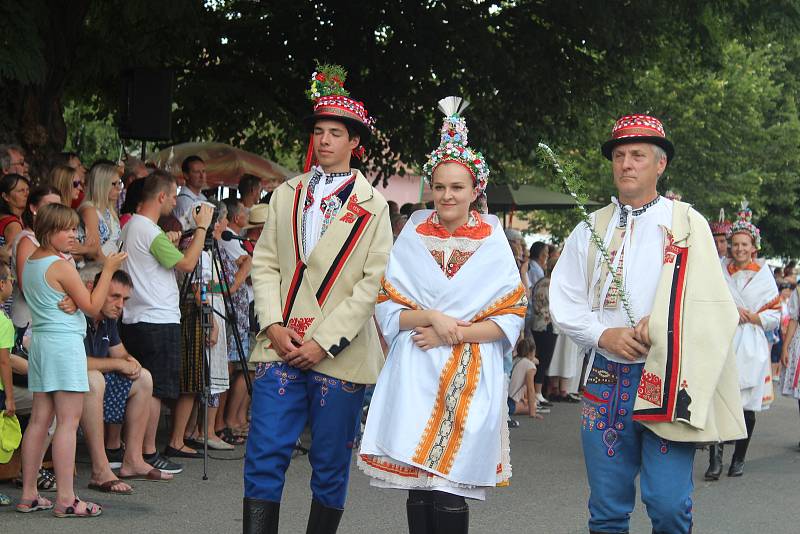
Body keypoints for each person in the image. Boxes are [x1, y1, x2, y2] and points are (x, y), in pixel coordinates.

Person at [549, 114, 745, 534]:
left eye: (638, 155)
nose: (626, 164)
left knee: (669, 504)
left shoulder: (687, 223)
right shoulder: (589, 228)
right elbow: (564, 299)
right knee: (606, 509)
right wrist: (604, 333)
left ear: (660, 164)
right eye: (619, 155)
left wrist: (662, 323)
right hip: (605, 377)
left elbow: (715, 304)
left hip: (669, 378)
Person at [359, 96, 525, 534]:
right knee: (418, 481)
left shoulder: (492, 240)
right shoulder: (413, 230)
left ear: (475, 191)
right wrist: (431, 317)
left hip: (470, 370)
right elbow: (388, 302)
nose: (447, 195)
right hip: (416, 364)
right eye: (439, 186)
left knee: (450, 482)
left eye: (457, 187)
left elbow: (511, 315)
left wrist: (453, 333)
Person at [244, 65, 392, 533]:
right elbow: (265, 262)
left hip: (339, 350)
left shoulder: (375, 205)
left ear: (355, 144)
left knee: (329, 466)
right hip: (279, 340)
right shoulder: (286, 194)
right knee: (264, 452)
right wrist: (271, 323)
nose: (325, 140)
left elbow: (373, 282)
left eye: (336, 133)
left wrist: (322, 341)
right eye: (319, 131)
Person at [17, 203, 125, 517]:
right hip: (63, 345)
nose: (73, 235)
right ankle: (67, 499)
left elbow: (65, 299)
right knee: (67, 421)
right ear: (49, 231)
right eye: (66, 229)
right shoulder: (60, 264)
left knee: (40, 421)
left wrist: (74, 301)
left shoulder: (34, 262)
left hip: (41, 344)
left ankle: (29, 494)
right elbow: (93, 306)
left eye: (74, 229)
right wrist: (108, 268)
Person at [119, 171, 213, 470]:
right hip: (157, 318)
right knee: (157, 390)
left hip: (136, 316)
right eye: (173, 196)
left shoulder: (133, 226)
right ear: (161, 197)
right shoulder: (149, 230)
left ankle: (138, 451)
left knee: (144, 386)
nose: (175, 201)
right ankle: (147, 451)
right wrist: (201, 229)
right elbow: (186, 263)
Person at [708, 205, 779, 479]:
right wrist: (728, 311)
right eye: (734, 243)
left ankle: (739, 456)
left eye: (744, 244)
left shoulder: (763, 276)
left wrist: (755, 317)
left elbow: (775, 313)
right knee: (718, 399)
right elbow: (710, 302)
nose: (738, 249)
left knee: (746, 403)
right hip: (724, 339)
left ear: (753, 247)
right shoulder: (719, 271)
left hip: (751, 342)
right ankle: (715, 459)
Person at [84, 269, 175, 482]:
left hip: (94, 385)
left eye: (124, 299)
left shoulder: (107, 319)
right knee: (94, 379)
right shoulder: (79, 314)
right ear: (93, 289)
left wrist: (130, 362)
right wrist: (118, 363)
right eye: (114, 296)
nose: (120, 304)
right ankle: (100, 467)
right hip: (72, 386)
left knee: (143, 378)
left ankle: (132, 460)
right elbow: (77, 363)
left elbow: (120, 353)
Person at [509, 336, 541, 419]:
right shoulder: (529, 366)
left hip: (502, 399)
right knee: (534, 404)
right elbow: (531, 389)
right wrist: (532, 412)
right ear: (532, 352)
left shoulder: (514, 359)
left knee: (527, 401)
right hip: (509, 403)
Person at [173, 156, 207, 228]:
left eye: (203, 171)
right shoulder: (184, 201)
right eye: (197, 172)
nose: (202, 176)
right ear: (186, 175)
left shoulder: (202, 197)